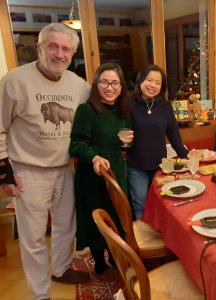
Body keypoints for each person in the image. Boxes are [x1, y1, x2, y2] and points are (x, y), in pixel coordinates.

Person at [0, 23, 91, 300]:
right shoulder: (14, 81)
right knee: (34, 238)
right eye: (53, 46)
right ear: (40, 47)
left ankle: (61, 268)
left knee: (67, 225)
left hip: (64, 168)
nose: (59, 53)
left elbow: (97, 115)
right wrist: (4, 170)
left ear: (73, 53)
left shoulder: (79, 85)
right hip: (29, 172)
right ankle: (40, 294)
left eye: (66, 48)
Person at [69, 62, 132, 278]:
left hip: (117, 171)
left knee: (116, 217)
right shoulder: (86, 110)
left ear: (121, 86)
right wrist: (94, 156)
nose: (110, 87)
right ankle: (99, 264)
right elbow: (75, 145)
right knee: (98, 221)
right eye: (104, 82)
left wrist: (127, 144)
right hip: (93, 176)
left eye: (115, 82)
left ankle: (116, 258)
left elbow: (123, 142)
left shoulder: (123, 111)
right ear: (96, 84)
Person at [126, 64, 188, 219]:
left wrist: (188, 157)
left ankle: (160, 236)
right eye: (149, 80)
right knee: (140, 204)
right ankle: (142, 240)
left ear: (162, 86)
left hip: (161, 167)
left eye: (157, 82)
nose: (152, 85)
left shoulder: (165, 106)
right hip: (136, 167)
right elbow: (125, 137)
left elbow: (175, 137)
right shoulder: (129, 104)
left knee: (163, 202)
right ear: (140, 80)